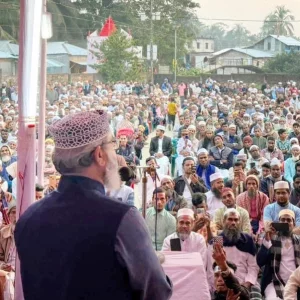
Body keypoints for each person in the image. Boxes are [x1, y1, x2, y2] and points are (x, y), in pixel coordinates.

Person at [15, 111, 172, 300]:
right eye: (112, 145)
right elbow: (158, 292)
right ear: (99, 154)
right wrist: (153, 263)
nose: (116, 153)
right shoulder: (121, 218)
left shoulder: (29, 218)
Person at [207, 209, 259, 292]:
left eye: (236, 220)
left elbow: (253, 267)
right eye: (230, 219)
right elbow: (212, 268)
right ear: (224, 221)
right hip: (223, 284)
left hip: (245, 282)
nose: (233, 223)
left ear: (240, 222)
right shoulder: (217, 240)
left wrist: (247, 283)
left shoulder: (247, 240)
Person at [257, 209, 300, 299]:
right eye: (282, 220)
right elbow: (260, 261)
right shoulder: (270, 238)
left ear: (294, 224)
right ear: (278, 222)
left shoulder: (298, 241)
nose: (285, 222)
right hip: (273, 281)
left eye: (289, 220)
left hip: (295, 282)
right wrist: (268, 240)